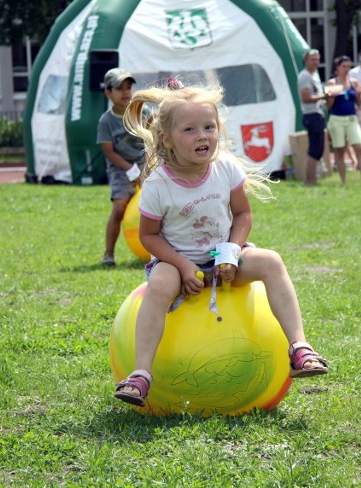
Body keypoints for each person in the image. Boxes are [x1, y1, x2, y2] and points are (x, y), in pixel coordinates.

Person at [113, 82, 329, 407]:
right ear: (167, 138)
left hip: (224, 259)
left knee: (271, 261)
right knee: (160, 283)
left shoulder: (226, 167)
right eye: (190, 129)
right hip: (177, 263)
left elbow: (242, 214)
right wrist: (184, 265)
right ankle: (141, 374)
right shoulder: (158, 184)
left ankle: (300, 348)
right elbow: (148, 236)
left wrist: (231, 251)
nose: (203, 135)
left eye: (209, 127)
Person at [97, 68, 145, 266]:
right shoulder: (106, 121)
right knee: (119, 208)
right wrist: (131, 171)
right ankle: (109, 254)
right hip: (119, 168)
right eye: (119, 88)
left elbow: (154, 138)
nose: (126, 92)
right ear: (108, 93)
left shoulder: (141, 112)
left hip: (145, 162)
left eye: (129, 87)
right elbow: (109, 152)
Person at [325, 55, 361, 186]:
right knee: (339, 150)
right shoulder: (332, 83)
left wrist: (358, 94)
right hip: (336, 119)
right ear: (337, 68)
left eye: (348, 66)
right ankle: (343, 181)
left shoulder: (353, 82)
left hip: (351, 118)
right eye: (343, 66)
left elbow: (359, 103)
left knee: (360, 148)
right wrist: (331, 96)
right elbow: (328, 106)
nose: (346, 69)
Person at [297, 48, 331, 185]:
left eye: (317, 59)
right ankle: (310, 180)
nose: (315, 62)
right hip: (311, 114)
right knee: (315, 149)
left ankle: (311, 179)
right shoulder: (305, 76)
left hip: (317, 113)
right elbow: (306, 98)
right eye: (312, 60)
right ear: (305, 61)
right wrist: (324, 96)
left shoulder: (314, 74)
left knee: (318, 149)